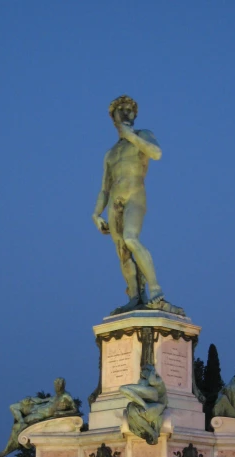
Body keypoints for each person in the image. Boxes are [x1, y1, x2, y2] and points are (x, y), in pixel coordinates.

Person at [92, 95, 183, 316]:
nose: (126, 113)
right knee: (122, 252)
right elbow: (105, 187)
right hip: (114, 200)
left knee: (131, 238)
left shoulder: (142, 135)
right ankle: (134, 296)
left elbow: (156, 153)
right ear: (113, 117)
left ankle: (155, 291)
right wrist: (96, 213)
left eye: (130, 110)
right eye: (121, 110)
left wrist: (131, 136)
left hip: (135, 195)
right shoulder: (110, 153)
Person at [0, 377, 80, 457]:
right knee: (13, 407)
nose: (57, 386)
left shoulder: (66, 396)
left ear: (63, 385)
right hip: (37, 408)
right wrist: (30, 399)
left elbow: (75, 410)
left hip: (40, 415)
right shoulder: (55, 396)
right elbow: (43, 400)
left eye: (59, 384)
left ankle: (7, 450)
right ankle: (21, 423)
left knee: (16, 427)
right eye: (55, 384)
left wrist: (61, 413)